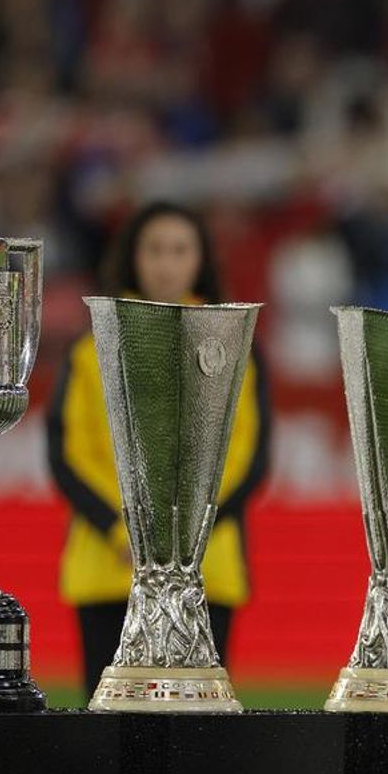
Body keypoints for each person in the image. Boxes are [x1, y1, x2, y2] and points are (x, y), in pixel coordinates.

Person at [46, 201, 272, 698]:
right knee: (109, 723)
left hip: (205, 567)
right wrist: (121, 530)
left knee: (199, 722)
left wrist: (184, 537)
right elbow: (68, 456)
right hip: (110, 565)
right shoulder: (90, 350)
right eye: (154, 249)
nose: (166, 263)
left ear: (200, 259)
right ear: (132, 257)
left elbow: (249, 459)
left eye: (179, 250)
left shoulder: (232, 346)